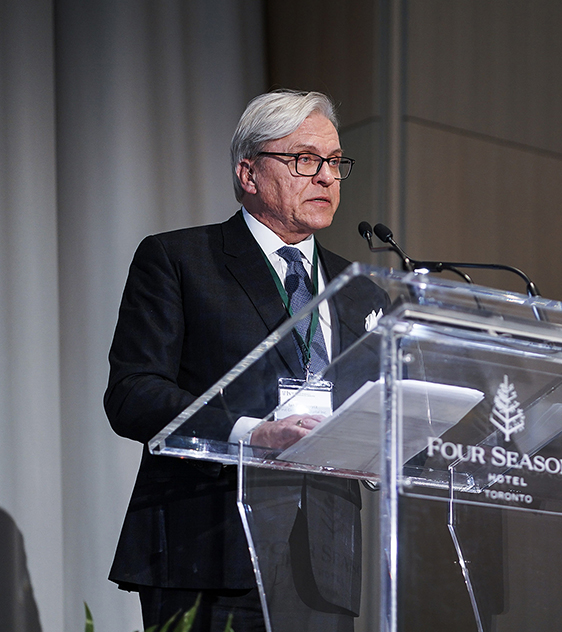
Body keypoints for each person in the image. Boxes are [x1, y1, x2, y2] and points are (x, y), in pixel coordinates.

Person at [105, 89, 385, 631]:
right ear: (249, 174)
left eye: (334, 162)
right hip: (206, 550)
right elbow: (133, 395)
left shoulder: (362, 291)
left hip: (322, 569)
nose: (326, 177)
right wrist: (252, 433)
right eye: (305, 160)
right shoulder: (180, 260)